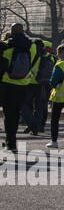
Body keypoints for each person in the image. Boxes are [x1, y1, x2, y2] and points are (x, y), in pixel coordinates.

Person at [1, 23, 42, 151]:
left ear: (12, 32)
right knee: (16, 113)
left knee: (8, 115)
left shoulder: (6, 45)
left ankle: (10, 142)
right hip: (24, 84)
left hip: (7, 83)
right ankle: (12, 142)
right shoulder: (32, 47)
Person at [31, 38, 54, 136]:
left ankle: (33, 124)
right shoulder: (51, 57)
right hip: (46, 83)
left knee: (30, 104)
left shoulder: (35, 54)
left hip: (32, 82)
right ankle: (41, 125)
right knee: (41, 106)